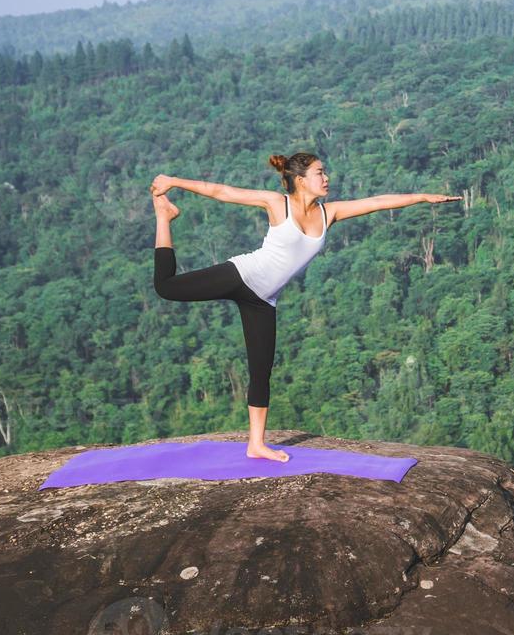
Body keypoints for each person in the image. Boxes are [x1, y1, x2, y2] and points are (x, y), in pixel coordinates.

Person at [149, 151, 460, 461]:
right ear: (300, 180)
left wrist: (422, 197)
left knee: (261, 370)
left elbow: (377, 202)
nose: (326, 178)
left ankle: (256, 444)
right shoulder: (277, 204)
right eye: (319, 173)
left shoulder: (330, 213)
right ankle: (165, 217)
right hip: (241, 275)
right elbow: (221, 191)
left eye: (324, 173)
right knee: (166, 287)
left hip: (263, 300)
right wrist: (173, 181)